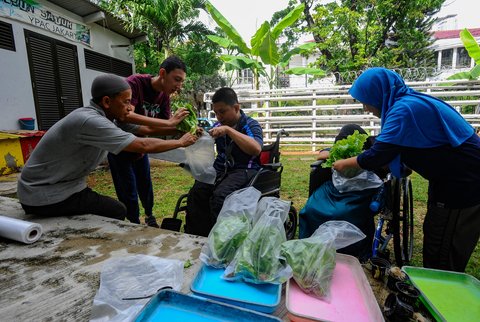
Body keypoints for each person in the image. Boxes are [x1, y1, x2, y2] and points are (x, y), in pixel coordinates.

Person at [333, 67, 480, 272]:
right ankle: (436, 283)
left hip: (463, 182)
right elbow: (394, 144)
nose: (366, 108)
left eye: (365, 100)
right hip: (449, 178)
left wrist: (343, 164)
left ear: (378, 93)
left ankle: (442, 292)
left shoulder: (404, 110)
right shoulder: (408, 103)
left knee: (443, 246)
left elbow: (379, 154)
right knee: (435, 230)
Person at [17, 74, 197, 220]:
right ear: (106, 102)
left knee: (120, 204)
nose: (130, 108)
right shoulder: (90, 121)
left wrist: (182, 127)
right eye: (126, 102)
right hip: (43, 193)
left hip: (66, 188)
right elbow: (142, 144)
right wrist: (180, 143)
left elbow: (148, 130)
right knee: (117, 211)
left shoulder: (110, 118)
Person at [107, 56, 188, 228]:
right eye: (177, 80)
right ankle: (134, 224)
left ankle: (150, 216)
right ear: (162, 73)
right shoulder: (134, 84)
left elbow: (161, 128)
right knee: (128, 192)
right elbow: (125, 116)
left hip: (141, 149)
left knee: (146, 187)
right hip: (121, 149)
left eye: (181, 82)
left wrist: (185, 129)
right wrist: (169, 124)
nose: (179, 86)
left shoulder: (164, 96)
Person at [185, 87, 263, 237]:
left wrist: (228, 130)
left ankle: (221, 240)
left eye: (222, 111)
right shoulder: (218, 126)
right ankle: (197, 237)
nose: (219, 117)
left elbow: (256, 149)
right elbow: (206, 137)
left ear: (236, 108)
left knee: (221, 196)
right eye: (216, 113)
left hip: (245, 170)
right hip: (221, 170)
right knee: (197, 192)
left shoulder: (250, 125)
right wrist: (200, 135)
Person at [300, 124, 380, 261]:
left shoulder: (371, 154)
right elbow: (322, 155)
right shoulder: (337, 150)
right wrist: (337, 155)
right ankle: (310, 245)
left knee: (340, 212)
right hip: (335, 186)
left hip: (361, 190)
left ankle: (346, 250)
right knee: (311, 208)